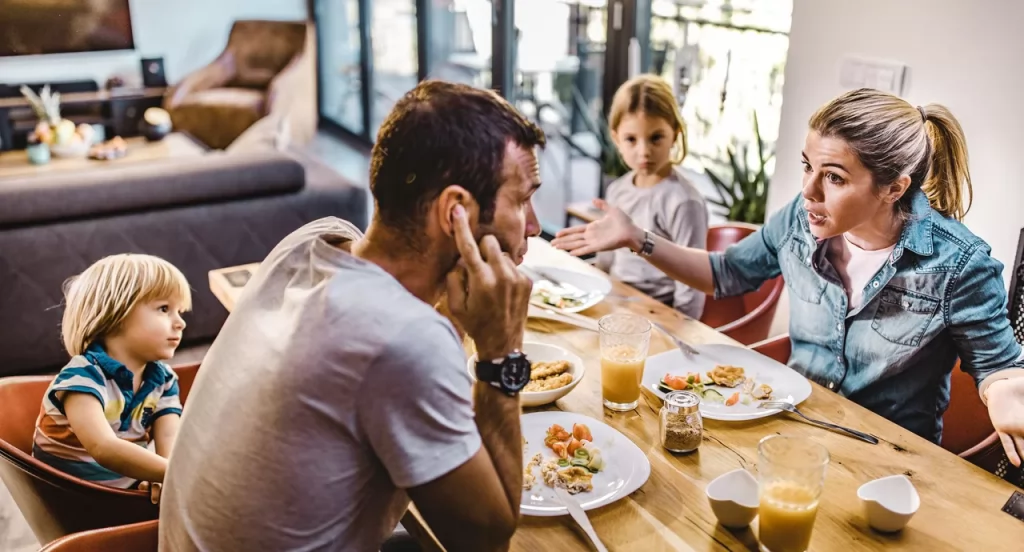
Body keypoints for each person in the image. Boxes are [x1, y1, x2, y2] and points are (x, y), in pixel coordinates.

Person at [159, 80, 545, 551]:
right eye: (522, 199)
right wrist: (502, 353)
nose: (534, 226)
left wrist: (461, 312)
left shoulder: (312, 243)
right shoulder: (402, 338)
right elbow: (485, 540)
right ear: (456, 213)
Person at [554, 88, 1024, 464]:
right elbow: (726, 273)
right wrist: (637, 236)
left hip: (889, 464)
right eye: (807, 166)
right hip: (789, 433)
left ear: (894, 187)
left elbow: (998, 367)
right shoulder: (800, 220)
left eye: (834, 178)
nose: (808, 190)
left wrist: (1004, 392)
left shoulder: (960, 264)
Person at [33, 254, 190, 493]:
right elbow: (103, 447)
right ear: (116, 313)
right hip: (73, 498)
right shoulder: (82, 377)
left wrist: (167, 478)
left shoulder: (164, 380)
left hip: (126, 487)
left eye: (180, 312)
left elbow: (170, 443)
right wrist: (179, 476)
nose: (180, 323)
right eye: (164, 308)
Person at [594, 74, 708, 318]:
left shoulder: (684, 202)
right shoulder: (617, 189)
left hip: (659, 312)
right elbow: (607, 257)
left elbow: (692, 280)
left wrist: (683, 330)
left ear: (675, 134)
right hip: (616, 301)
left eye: (656, 138)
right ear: (616, 139)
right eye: (631, 140)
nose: (644, 151)